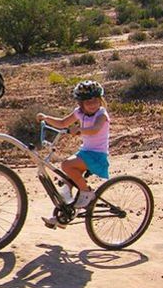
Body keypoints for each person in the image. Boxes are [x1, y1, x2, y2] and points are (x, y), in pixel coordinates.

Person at [36, 80, 110, 229]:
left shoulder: (102, 114)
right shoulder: (79, 113)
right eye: (87, 101)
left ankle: (87, 192)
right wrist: (46, 118)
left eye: (95, 100)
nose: (92, 104)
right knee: (66, 183)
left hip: (97, 155)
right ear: (81, 103)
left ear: (100, 100)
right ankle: (64, 216)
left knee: (66, 165)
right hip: (85, 152)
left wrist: (80, 130)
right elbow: (63, 123)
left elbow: (95, 129)